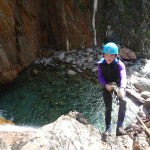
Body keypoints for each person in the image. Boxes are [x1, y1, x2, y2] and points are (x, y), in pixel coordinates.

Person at [97, 42, 127, 136]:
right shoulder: (101, 64)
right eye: (106, 55)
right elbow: (100, 76)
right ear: (103, 55)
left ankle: (119, 127)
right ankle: (108, 128)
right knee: (108, 107)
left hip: (118, 85)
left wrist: (122, 88)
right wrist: (105, 85)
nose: (109, 57)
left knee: (123, 101)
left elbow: (123, 76)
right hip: (107, 85)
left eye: (111, 55)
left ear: (116, 55)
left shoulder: (120, 64)